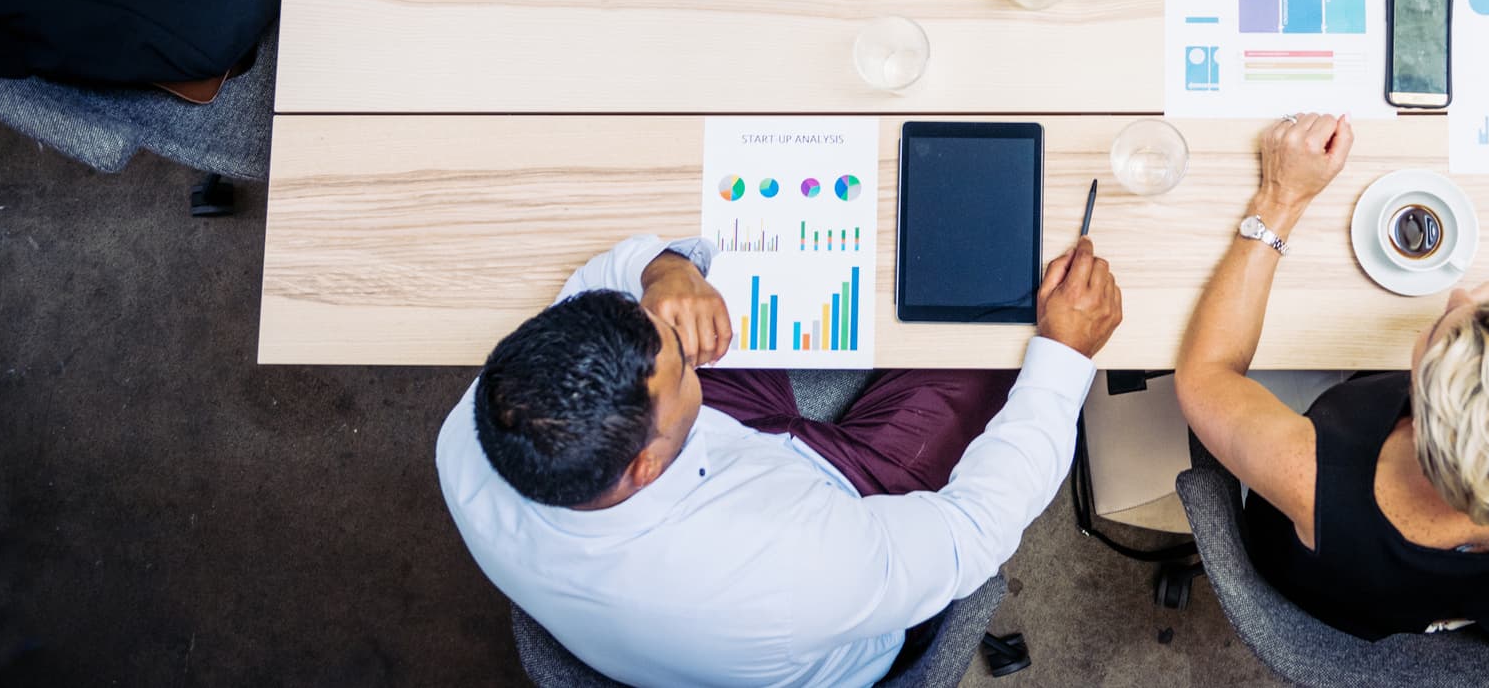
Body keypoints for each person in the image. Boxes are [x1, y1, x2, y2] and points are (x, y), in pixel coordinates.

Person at [437, 231, 1121, 687]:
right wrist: (1065, 356)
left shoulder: (483, 423)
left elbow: (594, 287)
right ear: (644, 464)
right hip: (826, 539)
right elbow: (973, 529)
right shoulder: (788, 571)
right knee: (998, 336)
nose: (684, 341)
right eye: (682, 367)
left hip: (730, 470)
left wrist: (663, 271)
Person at [1173, 114, 1489, 646]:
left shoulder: (1311, 478)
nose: (1463, 294)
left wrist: (1280, 200)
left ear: (1416, 417)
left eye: (1443, 333)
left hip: (1329, 583)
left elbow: (1205, 375)